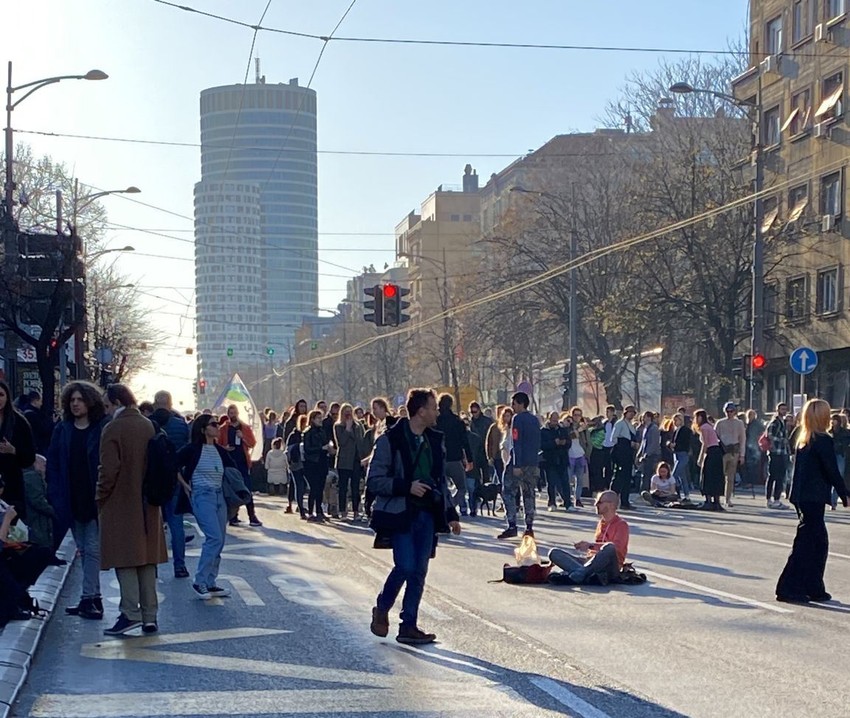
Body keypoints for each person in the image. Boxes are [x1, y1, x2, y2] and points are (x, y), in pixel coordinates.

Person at [368, 388, 461, 645]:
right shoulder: (391, 440)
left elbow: (440, 480)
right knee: (406, 565)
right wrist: (405, 486)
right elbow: (374, 480)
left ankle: (408, 625)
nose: (437, 412)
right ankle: (382, 607)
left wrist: (451, 513)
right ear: (421, 411)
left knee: (419, 571)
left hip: (427, 514)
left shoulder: (433, 440)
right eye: (433, 407)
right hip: (401, 513)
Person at [98, 384, 167, 636]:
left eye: (107, 405)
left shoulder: (113, 428)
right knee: (147, 560)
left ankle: (130, 613)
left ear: (116, 402)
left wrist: (100, 497)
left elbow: (108, 471)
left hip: (121, 502)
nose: (106, 410)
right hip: (149, 502)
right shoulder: (147, 425)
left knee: (124, 559)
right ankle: (150, 616)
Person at [776, 399, 849, 603]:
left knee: (817, 542)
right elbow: (831, 470)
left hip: (802, 495)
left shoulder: (804, 438)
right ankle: (789, 587)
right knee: (807, 544)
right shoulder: (822, 439)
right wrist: (844, 494)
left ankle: (813, 586)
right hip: (812, 496)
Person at [47, 381, 109, 620]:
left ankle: (88, 598)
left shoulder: (101, 427)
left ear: (89, 401)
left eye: (80, 400)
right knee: (83, 548)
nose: (75, 404)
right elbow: (53, 462)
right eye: (71, 400)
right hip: (70, 496)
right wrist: (55, 492)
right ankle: (93, 597)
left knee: (92, 548)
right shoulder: (63, 429)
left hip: (94, 496)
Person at [176, 414, 235, 600]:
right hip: (202, 495)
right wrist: (185, 485)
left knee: (220, 540)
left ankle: (210, 582)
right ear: (203, 429)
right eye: (213, 424)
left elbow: (232, 471)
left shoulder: (219, 450)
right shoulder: (192, 449)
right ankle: (199, 581)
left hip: (219, 497)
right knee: (214, 538)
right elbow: (172, 465)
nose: (218, 427)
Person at [548, 490, 629, 584]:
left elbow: (617, 549)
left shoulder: (622, 525)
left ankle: (579, 574)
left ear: (611, 505)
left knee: (610, 547)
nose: (595, 504)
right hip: (590, 563)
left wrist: (590, 545)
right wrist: (586, 549)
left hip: (609, 568)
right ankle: (584, 574)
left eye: (599, 502)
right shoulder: (601, 523)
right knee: (554, 552)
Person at [151, 390, 192, 579]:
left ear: (154, 403)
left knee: (152, 524)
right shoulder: (181, 425)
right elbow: (188, 450)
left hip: (151, 481)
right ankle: (180, 566)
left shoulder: (147, 424)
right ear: (170, 404)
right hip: (175, 479)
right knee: (176, 526)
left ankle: (152, 567)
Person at [497, 392, 540, 539]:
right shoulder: (535, 420)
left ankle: (512, 524)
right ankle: (529, 526)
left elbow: (516, 441)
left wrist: (516, 464)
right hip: (532, 462)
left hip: (519, 462)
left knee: (507, 490)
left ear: (521, 403)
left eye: (514, 403)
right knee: (529, 493)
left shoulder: (517, 419)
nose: (513, 407)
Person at [218, 405, 261, 527]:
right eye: (230, 413)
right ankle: (233, 516)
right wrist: (224, 448)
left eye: (234, 412)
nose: (233, 415)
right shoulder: (223, 429)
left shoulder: (245, 428)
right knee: (232, 490)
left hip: (242, 462)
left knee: (246, 488)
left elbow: (252, 443)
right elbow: (217, 444)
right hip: (230, 463)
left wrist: (243, 438)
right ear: (228, 414)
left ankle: (252, 516)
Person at [0, 380, 37, 519]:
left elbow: (30, 457)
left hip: (12, 485)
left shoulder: (19, 422)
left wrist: (13, 450)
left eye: (1, 395)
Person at [435, 394, 473, 516]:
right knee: (461, 488)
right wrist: (469, 459)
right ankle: (451, 505)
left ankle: (443, 506)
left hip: (438, 459)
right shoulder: (457, 421)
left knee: (440, 488)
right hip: (455, 459)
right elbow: (465, 442)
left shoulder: (435, 421)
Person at [334, 403, 366, 520]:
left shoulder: (358, 426)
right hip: (344, 460)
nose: (348, 414)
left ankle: (356, 511)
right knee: (343, 487)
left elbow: (360, 441)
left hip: (356, 460)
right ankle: (343, 511)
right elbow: (341, 442)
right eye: (345, 412)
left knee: (355, 487)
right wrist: (347, 428)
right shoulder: (338, 426)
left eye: (349, 411)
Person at [714, 401, 746, 508]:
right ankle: (717, 497)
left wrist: (742, 455)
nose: (729, 413)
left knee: (731, 477)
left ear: (735, 412)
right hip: (723, 451)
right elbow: (715, 436)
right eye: (727, 411)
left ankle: (727, 499)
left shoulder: (739, 423)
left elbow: (742, 439)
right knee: (719, 475)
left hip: (734, 451)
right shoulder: (720, 423)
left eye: (731, 411)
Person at [303, 410, 332, 522]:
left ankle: (319, 511)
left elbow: (326, 442)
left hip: (322, 462)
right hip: (312, 463)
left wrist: (329, 447)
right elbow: (307, 449)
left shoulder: (322, 431)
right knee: (314, 488)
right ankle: (311, 512)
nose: (320, 420)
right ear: (312, 420)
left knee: (320, 488)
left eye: (321, 418)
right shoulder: (308, 433)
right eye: (318, 418)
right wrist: (320, 448)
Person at [22, 454, 54, 550]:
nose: (46, 468)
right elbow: (37, 501)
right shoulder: (32, 477)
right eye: (44, 465)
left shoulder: (30, 476)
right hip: (36, 523)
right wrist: (54, 511)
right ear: (35, 463)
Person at [694, 409, 724, 511]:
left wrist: (701, 458)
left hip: (711, 452)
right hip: (717, 453)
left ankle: (708, 501)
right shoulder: (710, 426)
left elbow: (705, 444)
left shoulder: (704, 427)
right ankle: (716, 501)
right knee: (716, 476)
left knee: (707, 475)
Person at [541, 411, 570, 512]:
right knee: (551, 483)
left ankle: (568, 503)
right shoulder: (544, 431)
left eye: (557, 420)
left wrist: (564, 442)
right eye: (553, 420)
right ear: (549, 419)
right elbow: (542, 445)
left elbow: (569, 442)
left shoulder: (562, 430)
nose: (555, 422)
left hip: (562, 459)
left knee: (565, 482)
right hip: (550, 460)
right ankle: (552, 502)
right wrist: (554, 443)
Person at [610, 405, 638, 510]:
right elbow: (613, 438)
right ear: (625, 413)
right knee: (619, 477)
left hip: (629, 454)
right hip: (621, 453)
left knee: (627, 478)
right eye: (629, 412)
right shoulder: (620, 424)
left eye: (633, 413)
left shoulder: (631, 425)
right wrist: (625, 444)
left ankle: (625, 502)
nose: (631, 414)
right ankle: (611, 498)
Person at [765, 403, 791, 509]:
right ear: (777, 410)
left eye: (785, 409)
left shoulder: (783, 422)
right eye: (782, 409)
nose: (784, 411)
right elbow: (770, 435)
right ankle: (770, 499)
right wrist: (780, 441)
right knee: (773, 476)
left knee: (780, 476)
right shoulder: (775, 422)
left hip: (783, 452)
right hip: (775, 453)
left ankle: (776, 499)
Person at [567, 408, 590, 508]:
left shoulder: (584, 429)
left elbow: (588, 442)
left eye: (579, 415)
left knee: (580, 480)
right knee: (568, 479)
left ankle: (577, 498)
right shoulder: (568, 426)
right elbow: (569, 436)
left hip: (580, 456)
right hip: (570, 455)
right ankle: (567, 498)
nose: (577, 417)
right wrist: (578, 430)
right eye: (575, 415)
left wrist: (587, 453)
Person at [285, 417, 308, 519]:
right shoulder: (293, 435)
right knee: (299, 485)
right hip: (296, 464)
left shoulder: (308, 434)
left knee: (303, 486)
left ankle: (303, 507)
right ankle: (301, 509)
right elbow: (288, 451)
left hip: (306, 464)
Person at [19, 390, 54, 456]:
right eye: (40, 401)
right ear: (35, 401)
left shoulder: (25, 413)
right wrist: (52, 423)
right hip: (38, 447)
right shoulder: (33, 415)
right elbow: (43, 430)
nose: (41, 404)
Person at [668, 413, 693, 501]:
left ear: (681, 420)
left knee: (674, 474)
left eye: (677, 420)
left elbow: (686, 442)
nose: (675, 422)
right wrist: (670, 444)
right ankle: (686, 495)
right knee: (683, 477)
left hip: (683, 454)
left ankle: (677, 489)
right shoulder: (675, 431)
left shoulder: (686, 430)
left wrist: (675, 445)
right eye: (674, 420)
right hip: (676, 454)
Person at [829, 413, 850, 509]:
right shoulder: (828, 432)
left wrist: (842, 446)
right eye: (832, 419)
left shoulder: (845, 432)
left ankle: (833, 502)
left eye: (835, 420)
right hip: (830, 455)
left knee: (838, 476)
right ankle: (831, 500)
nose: (833, 421)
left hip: (840, 455)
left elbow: (846, 443)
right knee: (829, 477)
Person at [637, 411, 661, 493]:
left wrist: (647, 454)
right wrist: (639, 454)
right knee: (644, 474)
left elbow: (654, 443)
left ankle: (646, 491)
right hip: (645, 455)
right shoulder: (645, 428)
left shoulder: (654, 428)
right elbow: (643, 442)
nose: (642, 419)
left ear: (648, 417)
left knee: (648, 475)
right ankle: (643, 491)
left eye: (644, 417)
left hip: (652, 456)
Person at [485, 406, 511, 484]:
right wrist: (489, 456)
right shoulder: (494, 427)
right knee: (501, 478)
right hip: (497, 457)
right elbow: (489, 442)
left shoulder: (513, 426)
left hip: (510, 457)